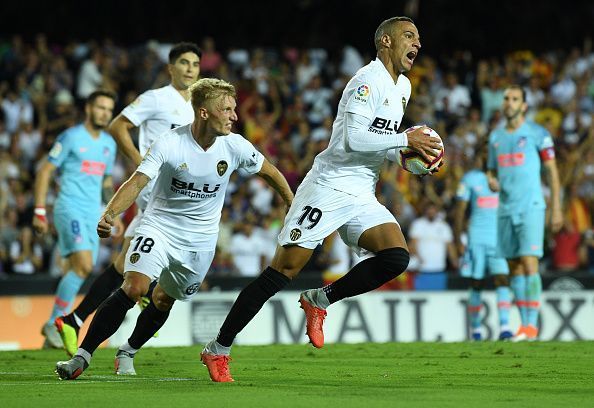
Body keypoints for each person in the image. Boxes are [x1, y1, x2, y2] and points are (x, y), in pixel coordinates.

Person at [201, 16, 441, 382]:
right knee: (282, 271)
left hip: (361, 190)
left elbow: (382, 142)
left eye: (419, 38)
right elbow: (354, 141)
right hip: (328, 186)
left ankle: (320, 300)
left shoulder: (402, 86)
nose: (417, 44)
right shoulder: (366, 81)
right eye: (409, 36)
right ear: (386, 42)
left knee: (396, 257)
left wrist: (411, 160)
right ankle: (218, 348)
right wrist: (407, 142)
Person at [54, 77, 294, 380]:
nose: (235, 116)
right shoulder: (170, 142)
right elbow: (138, 181)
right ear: (204, 113)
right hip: (159, 228)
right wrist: (110, 213)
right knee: (135, 286)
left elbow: (270, 171)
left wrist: (290, 202)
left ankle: (127, 351)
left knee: (164, 300)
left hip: (200, 242)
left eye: (234, 109)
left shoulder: (235, 146)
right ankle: (82, 357)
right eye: (227, 109)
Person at [54, 42, 201, 357]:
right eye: (184, 63)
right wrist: (141, 162)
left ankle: (74, 319)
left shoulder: (196, 107)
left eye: (195, 64)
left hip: (177, 192)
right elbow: (118, 124)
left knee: (123, 265)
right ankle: (140, 301)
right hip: (156, 193)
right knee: (146, 259)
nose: (190, 69)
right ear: (170, 68)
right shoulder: (156, 98)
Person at [33, 90, 122, 348]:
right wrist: (39, 210)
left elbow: (106, 183)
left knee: (80, 270)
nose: (105, 113)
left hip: (93, 214)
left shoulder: (109, 144)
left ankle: (52, 332)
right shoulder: (71, 137)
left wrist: (112, 211)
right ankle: (54, 325)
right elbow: (45, 170)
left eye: (109, 109)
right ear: (88, 109)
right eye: (100, 107)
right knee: (82, 265)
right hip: (69, 207)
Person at [487, 85, 562, 341]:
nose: (508, 103)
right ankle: (524, 326)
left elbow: (551, 171)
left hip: (531, 206)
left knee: (530, 262)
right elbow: (491, 170)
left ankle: (531, 327)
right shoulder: (495, 137)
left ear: (524, 106)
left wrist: (556, 208)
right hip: (505, 209)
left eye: (514, 99)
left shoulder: (537, 133)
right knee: (514, 268)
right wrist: (491, 180)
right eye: (506, 98)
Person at [454, 148, 512, 341]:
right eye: (483, 155)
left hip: (499, 238)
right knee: (476, 283)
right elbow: (460, 211)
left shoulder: (504, 177)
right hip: (476, 238)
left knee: (502, 279)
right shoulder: (469, 179)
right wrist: (458, 239)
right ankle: (476, 330)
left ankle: (505, 327)